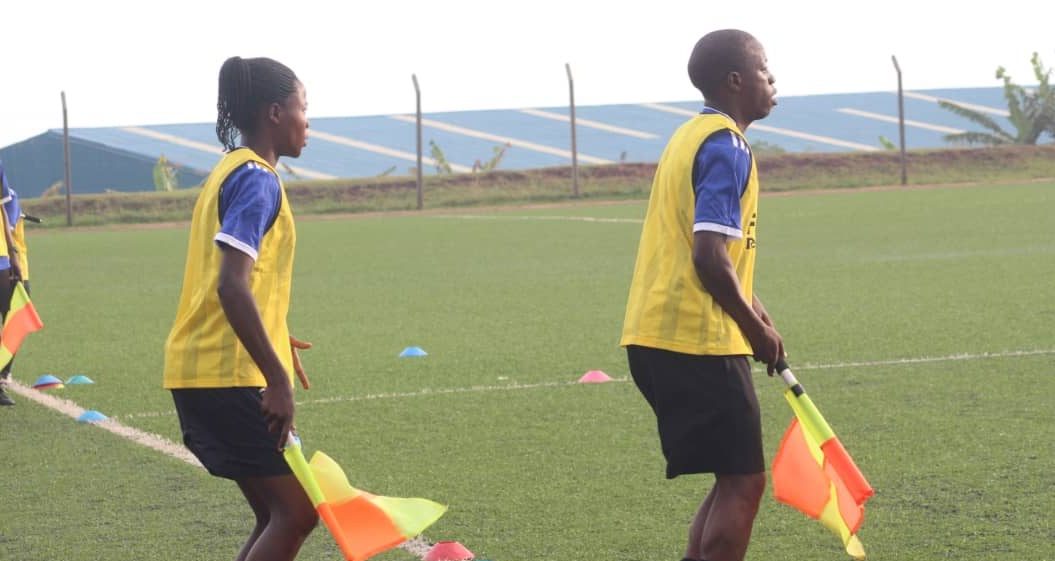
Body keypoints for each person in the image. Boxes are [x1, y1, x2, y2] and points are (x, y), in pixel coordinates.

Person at [620, 29, 784, 561]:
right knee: (745, 482)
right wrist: (754, 329)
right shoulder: (727, 146)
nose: (772, 78)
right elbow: (709, 256)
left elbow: (720, 255)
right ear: (736, 81)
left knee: (732, 477)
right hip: (695, 338)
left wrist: (756, 308)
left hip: (655, 333)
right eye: (764, 69)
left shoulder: (690, 134)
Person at [163, 56, 317, 561]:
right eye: (303, 107)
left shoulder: (229, 169)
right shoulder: (257, 179)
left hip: (204, 370)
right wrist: (275, 378)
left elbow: (244, 281)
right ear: (276, 112)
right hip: (227, 376)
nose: (307, 121)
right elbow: (231, 286)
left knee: (275, 513)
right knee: (296, 514)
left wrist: (275, 334)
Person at [0, 161, 23, 407]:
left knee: (8, 315)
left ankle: (1, 378)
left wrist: (12, 253)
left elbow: (3, 210)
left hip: (1, 257)